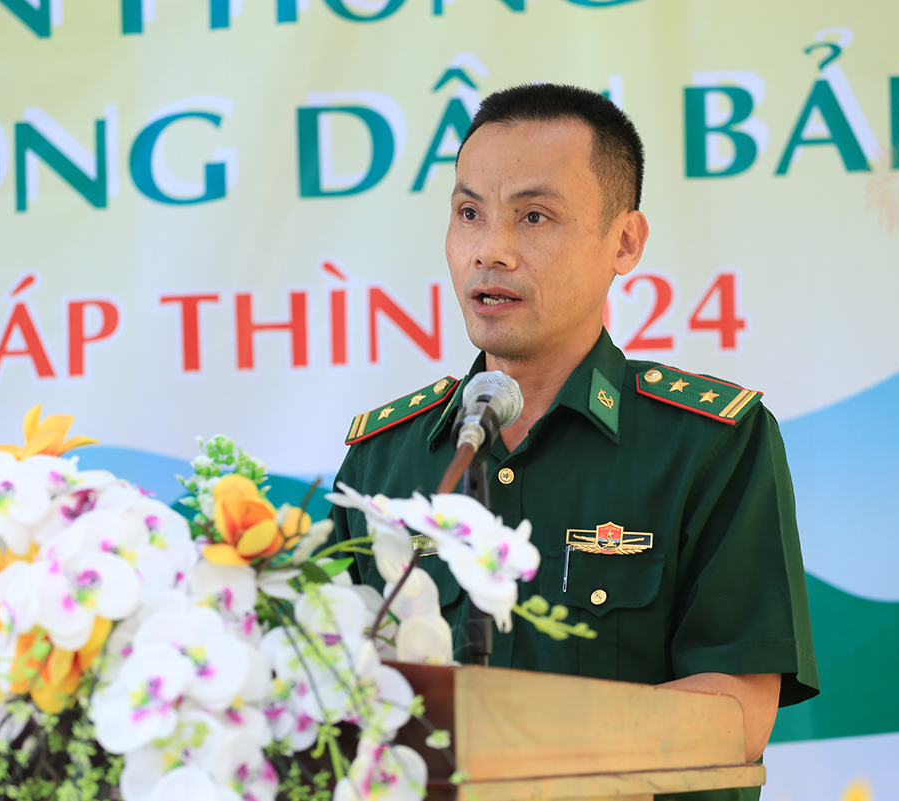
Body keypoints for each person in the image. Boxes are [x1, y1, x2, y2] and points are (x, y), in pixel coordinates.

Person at [329, 83, 818, 799]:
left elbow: (735, 715)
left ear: (625, 242)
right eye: (469, 213)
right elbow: (328, 691)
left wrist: (507, 748)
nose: (490, 251)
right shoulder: (383, 457)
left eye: (534, 216)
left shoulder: (708, 443)